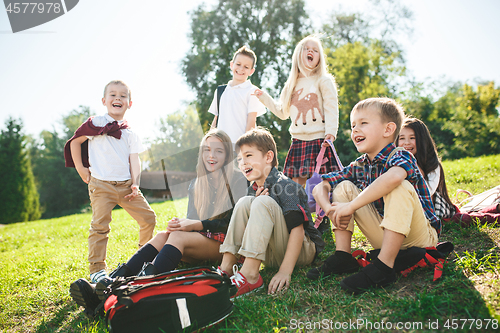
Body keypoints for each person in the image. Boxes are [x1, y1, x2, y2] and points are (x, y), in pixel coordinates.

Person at [69, 129, 247, 316]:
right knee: (163, 235)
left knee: (177, 237)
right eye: (206, 150)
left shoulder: (238, 179)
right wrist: (181, 224)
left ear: (227, 154)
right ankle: (108, 286)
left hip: (228, 246)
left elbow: (234, 223)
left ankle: (135, 291)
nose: (211, 155)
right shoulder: (197, 184)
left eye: (219, 150)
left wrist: (195, 225)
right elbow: (191, 222)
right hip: (203, 242)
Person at [307, 98, 440, 294]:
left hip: (420, 238)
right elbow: (320, 186)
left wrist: (351, 207)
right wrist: (329, 209)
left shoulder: (401, 155)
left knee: (398, 185)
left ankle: (384, 267)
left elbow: (393, 177)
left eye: (363, 123)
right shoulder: (359, 164)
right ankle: (343, 256)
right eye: (353, 125)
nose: (355, 130)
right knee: (342, 186)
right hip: (386, 236)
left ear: (388, 130)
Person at [64, 80, 156, 284]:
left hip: (126, 187)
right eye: (113, 95)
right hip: (101, 185)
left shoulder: (130, 132)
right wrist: (80, 167)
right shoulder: (96, 123)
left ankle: (143, 260)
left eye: (123, 96)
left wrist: (135, 183)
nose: (118, 98)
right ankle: (97, 269)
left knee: (148, 218)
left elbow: (134, 159)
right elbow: (76, 142)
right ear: (104, 100)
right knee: (100, 226)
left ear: (130, 103)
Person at [218, 127, 325, 298]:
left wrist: (285, 271)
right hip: (273, 252)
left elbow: (298, 230)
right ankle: (226, 269)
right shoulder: (253, 189)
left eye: (248, 155)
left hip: (302, 251)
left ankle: (251, 276)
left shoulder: (285, 185)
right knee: (245, 202)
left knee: (262, 201)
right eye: (239, 159)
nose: (242, 162)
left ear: (268, 157)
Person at [254, 35, 339, 186]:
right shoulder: (291, 84)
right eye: (306, 48)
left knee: (323, 185)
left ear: (320, 58)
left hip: (319, 140)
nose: (310, 51)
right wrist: (264, 97)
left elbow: (331, 107)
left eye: (315, 50)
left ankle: (324, 209)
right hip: (298, 141)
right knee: (295, 187)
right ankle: (299, 210)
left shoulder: (323, 81)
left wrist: (330, 133)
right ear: (299, 54)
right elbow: (282, 112)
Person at [398, 117, 457, 219]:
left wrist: (415, 167)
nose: (406, 142)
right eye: (402, 138)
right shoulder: (394, 163)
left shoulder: (433, 164)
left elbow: (428, 192)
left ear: (422, 140)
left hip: (430, 207)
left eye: (412, 138)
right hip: (405, 207)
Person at [209, 45, 266, 146]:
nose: (241, 69)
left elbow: (251, 121)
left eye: (246, 67)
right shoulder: (220, 91)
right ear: (232, 65)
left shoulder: (253, 91)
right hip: (220, 149)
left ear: (251, 71)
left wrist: (244, 147)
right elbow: (216, 119)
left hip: (239, 149)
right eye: (238, 64)